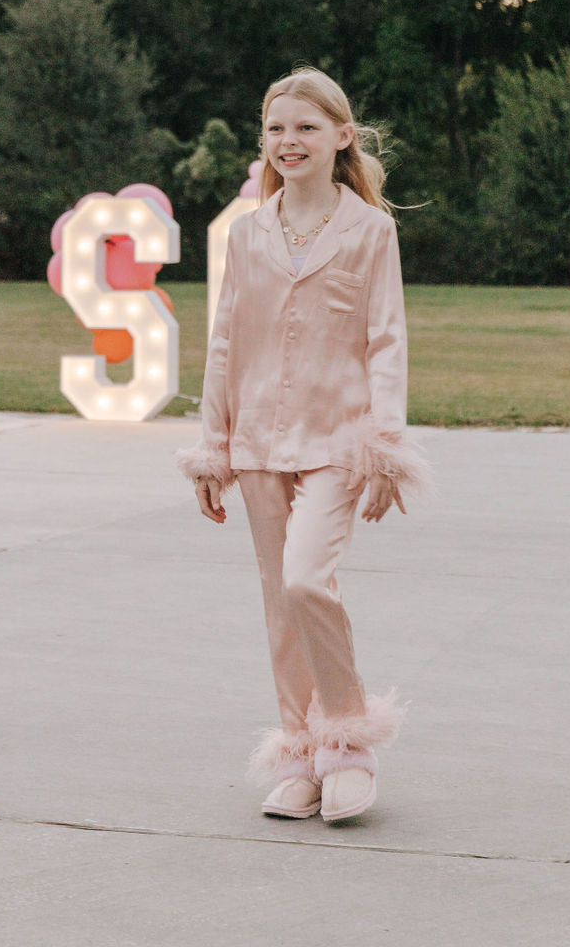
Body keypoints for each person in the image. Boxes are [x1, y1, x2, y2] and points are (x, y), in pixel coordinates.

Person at [178, 68, 430, 823]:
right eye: (277, 128)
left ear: (341, 137)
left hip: (337, 440)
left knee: (305, 582)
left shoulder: (370, 231)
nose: (290, 141)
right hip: (256, 439)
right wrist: (211, 444)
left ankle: (349, 744)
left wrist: (386, 444)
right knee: (276, 602)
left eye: (307, 128)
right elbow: (226, 340)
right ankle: (300, 751)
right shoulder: (249, 232)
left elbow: (386, 341)